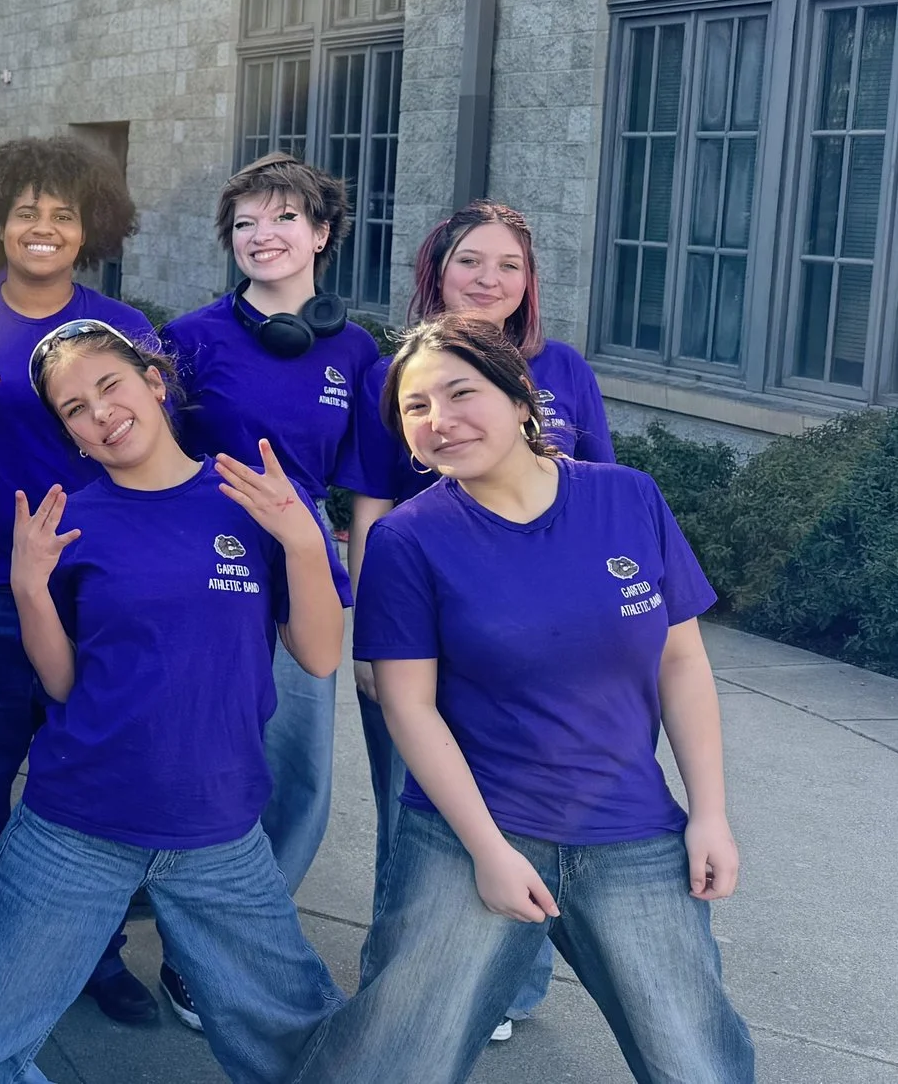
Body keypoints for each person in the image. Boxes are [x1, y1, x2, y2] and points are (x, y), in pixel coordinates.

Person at [0, 320, 347, 1084]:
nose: (100, 412)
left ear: (154, 384)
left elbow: (320, 655)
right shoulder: (78, 520)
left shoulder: (250, 500)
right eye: (74, 409)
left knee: (300, 1044)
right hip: (76, 828)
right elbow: (63, 685)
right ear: (73, 436)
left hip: (218, 831)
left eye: (110, 386)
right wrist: (29, 589)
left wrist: (299, 540)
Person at [289, 315, 752, 1084]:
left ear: (522, 400)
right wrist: (489, 852)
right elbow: (409, 707)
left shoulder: (630, 499)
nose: (441, 420)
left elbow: (681, 661)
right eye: (416, 408)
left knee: (696, 1062)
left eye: (461, 392)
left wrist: (710, 813)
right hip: (471, 836)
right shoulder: (408, 540)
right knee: (392, 1063)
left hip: (633, 832)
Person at [0, 134, 160, 1023]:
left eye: (62, 213)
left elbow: (156, 457)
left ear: (91, 226)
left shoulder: (124, 331)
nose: (42, 228)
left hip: (95, 595)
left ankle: (94, 955)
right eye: (25, 212)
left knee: (85, 787)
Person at [345, 199, 614, 1041]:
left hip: (544, 639)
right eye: (471, 261)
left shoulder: (564, 368)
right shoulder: (399, 368)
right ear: (437, 271)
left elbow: (602, 497)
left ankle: (508, 981)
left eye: (508, 265)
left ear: (528, 282)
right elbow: (373, 499)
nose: (489, 279)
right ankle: (401, 978)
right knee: (414, 810)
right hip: (424, 621)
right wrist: (366, 631)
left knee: (530, 806)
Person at [149, 152, 387, 1028]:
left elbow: (368, 489)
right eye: (246, 223)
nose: (263, 236)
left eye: (284, 219)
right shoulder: (192, 337)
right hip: (201, 572)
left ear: (321, 234)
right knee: (202, 760)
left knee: (296, 774)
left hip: (304, 576)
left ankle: (246, 933)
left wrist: (368, 606)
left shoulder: (357, 351)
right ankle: (185, 950)